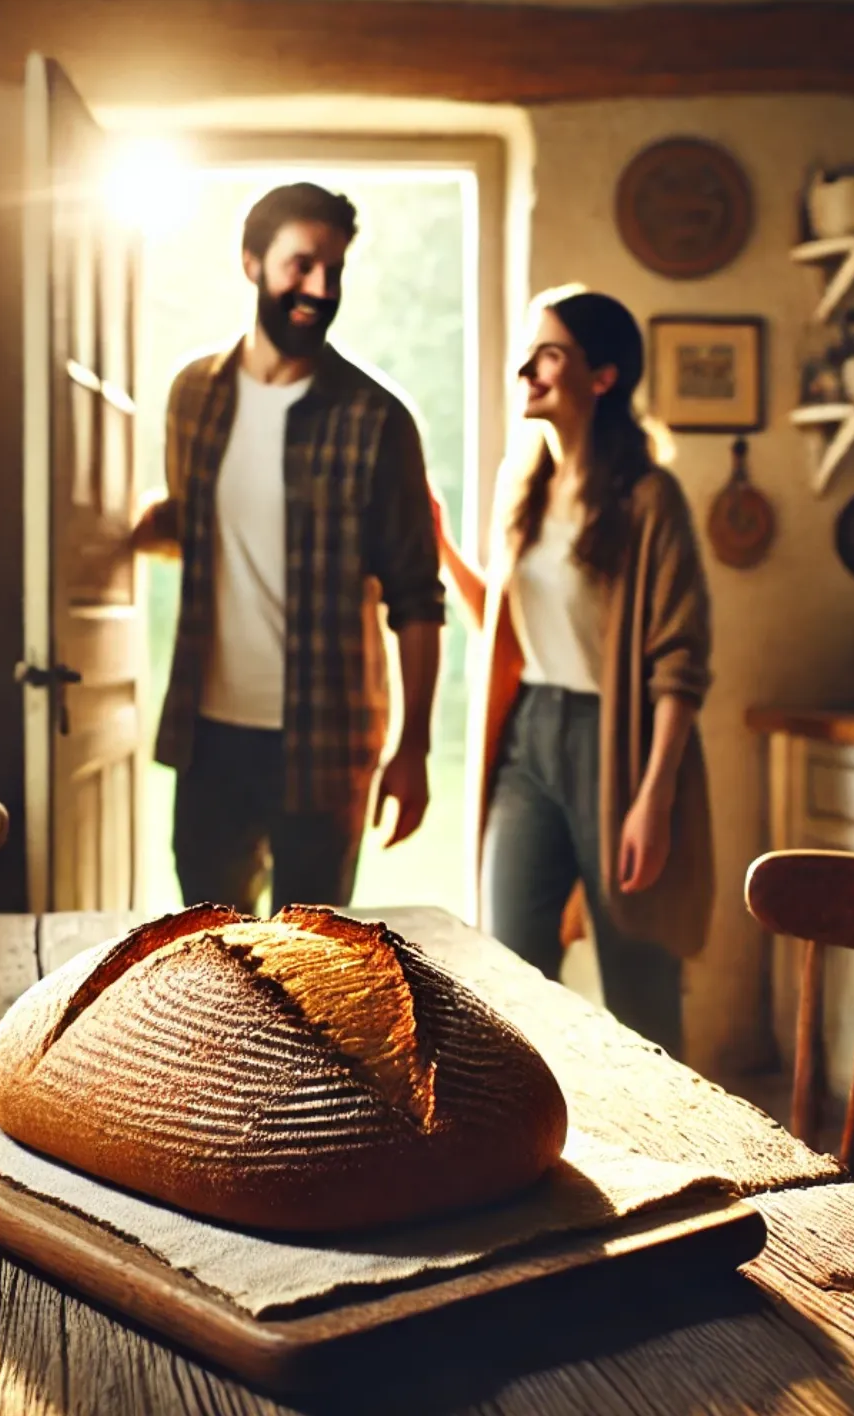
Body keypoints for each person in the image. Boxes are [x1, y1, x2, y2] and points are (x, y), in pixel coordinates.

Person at [133, 182, 444, 912]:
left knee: (314, 967)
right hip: (208, 736)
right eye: (301, 265)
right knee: (208, 957)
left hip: (328, 740)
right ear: (252, 263)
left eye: (333, 271)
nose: (319, 288)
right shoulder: (192, 396)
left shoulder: (378, 418)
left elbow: (416, 595)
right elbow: (195, 524)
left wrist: (416, 749)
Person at [433, 286, 712, 1055]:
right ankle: (527, 1148)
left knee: (640, 985)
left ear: (602, 376)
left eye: (549, 353)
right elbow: (507, 625)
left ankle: (679, 1158)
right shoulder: (520, 489)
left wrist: (654, 800)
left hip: (618, 746)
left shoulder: (651, 501)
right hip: (530, 737)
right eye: (528, 351)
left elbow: (678, 664)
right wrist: (443, 547)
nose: (528, 368)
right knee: (510, 968)